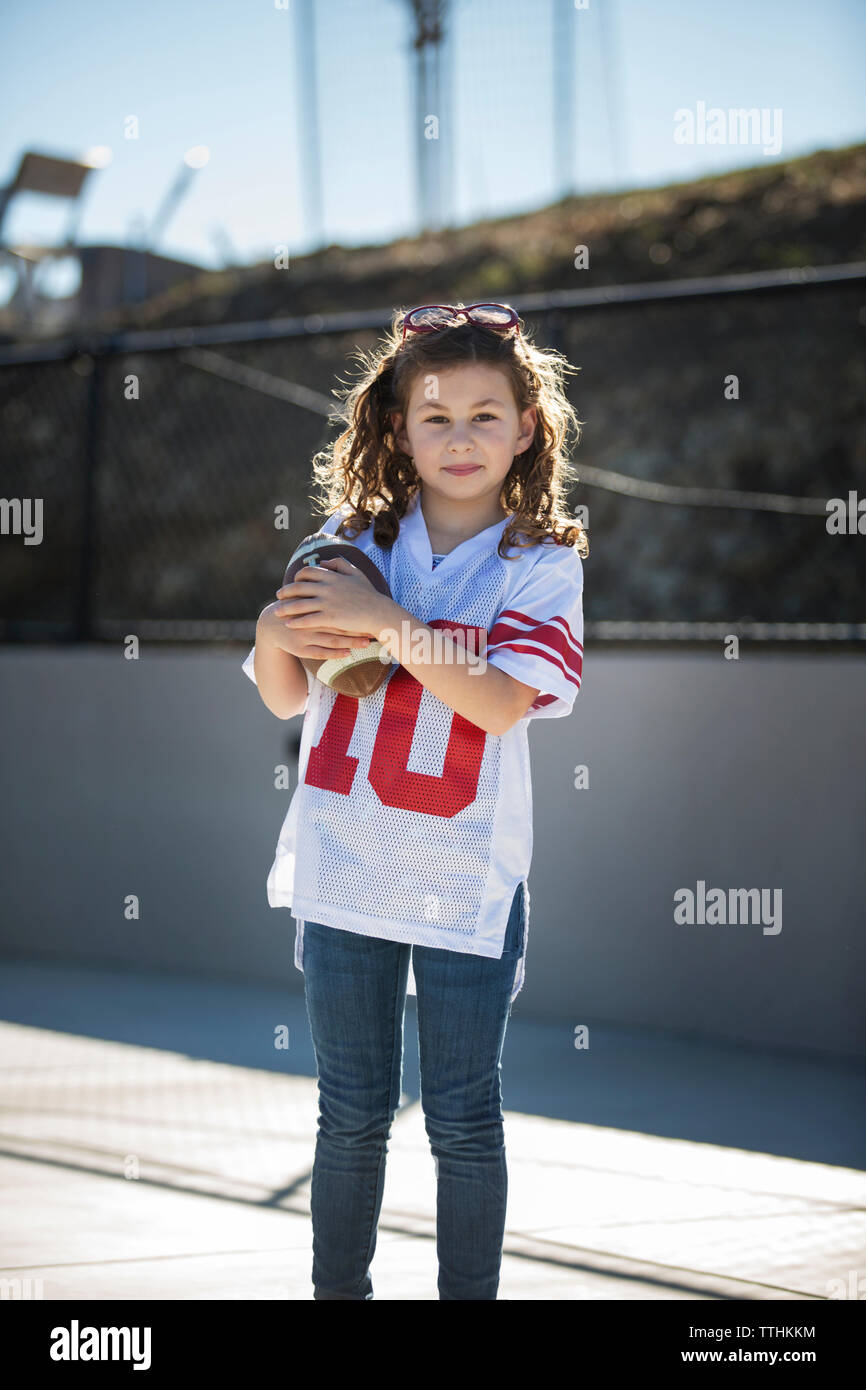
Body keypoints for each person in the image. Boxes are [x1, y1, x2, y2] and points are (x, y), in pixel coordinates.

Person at [241, 302, 588, 1300]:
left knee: (462, 1113)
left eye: (486, 414)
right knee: (348, 1109)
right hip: (344, 861)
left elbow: (497, 700)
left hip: (462, 873)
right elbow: (285, 694)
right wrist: (277, 627)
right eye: (434, 416)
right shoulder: (347, 542)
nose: (461, 436)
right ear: (395, 426)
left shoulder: (539, 563)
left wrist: (385, 620)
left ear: (527, 426)